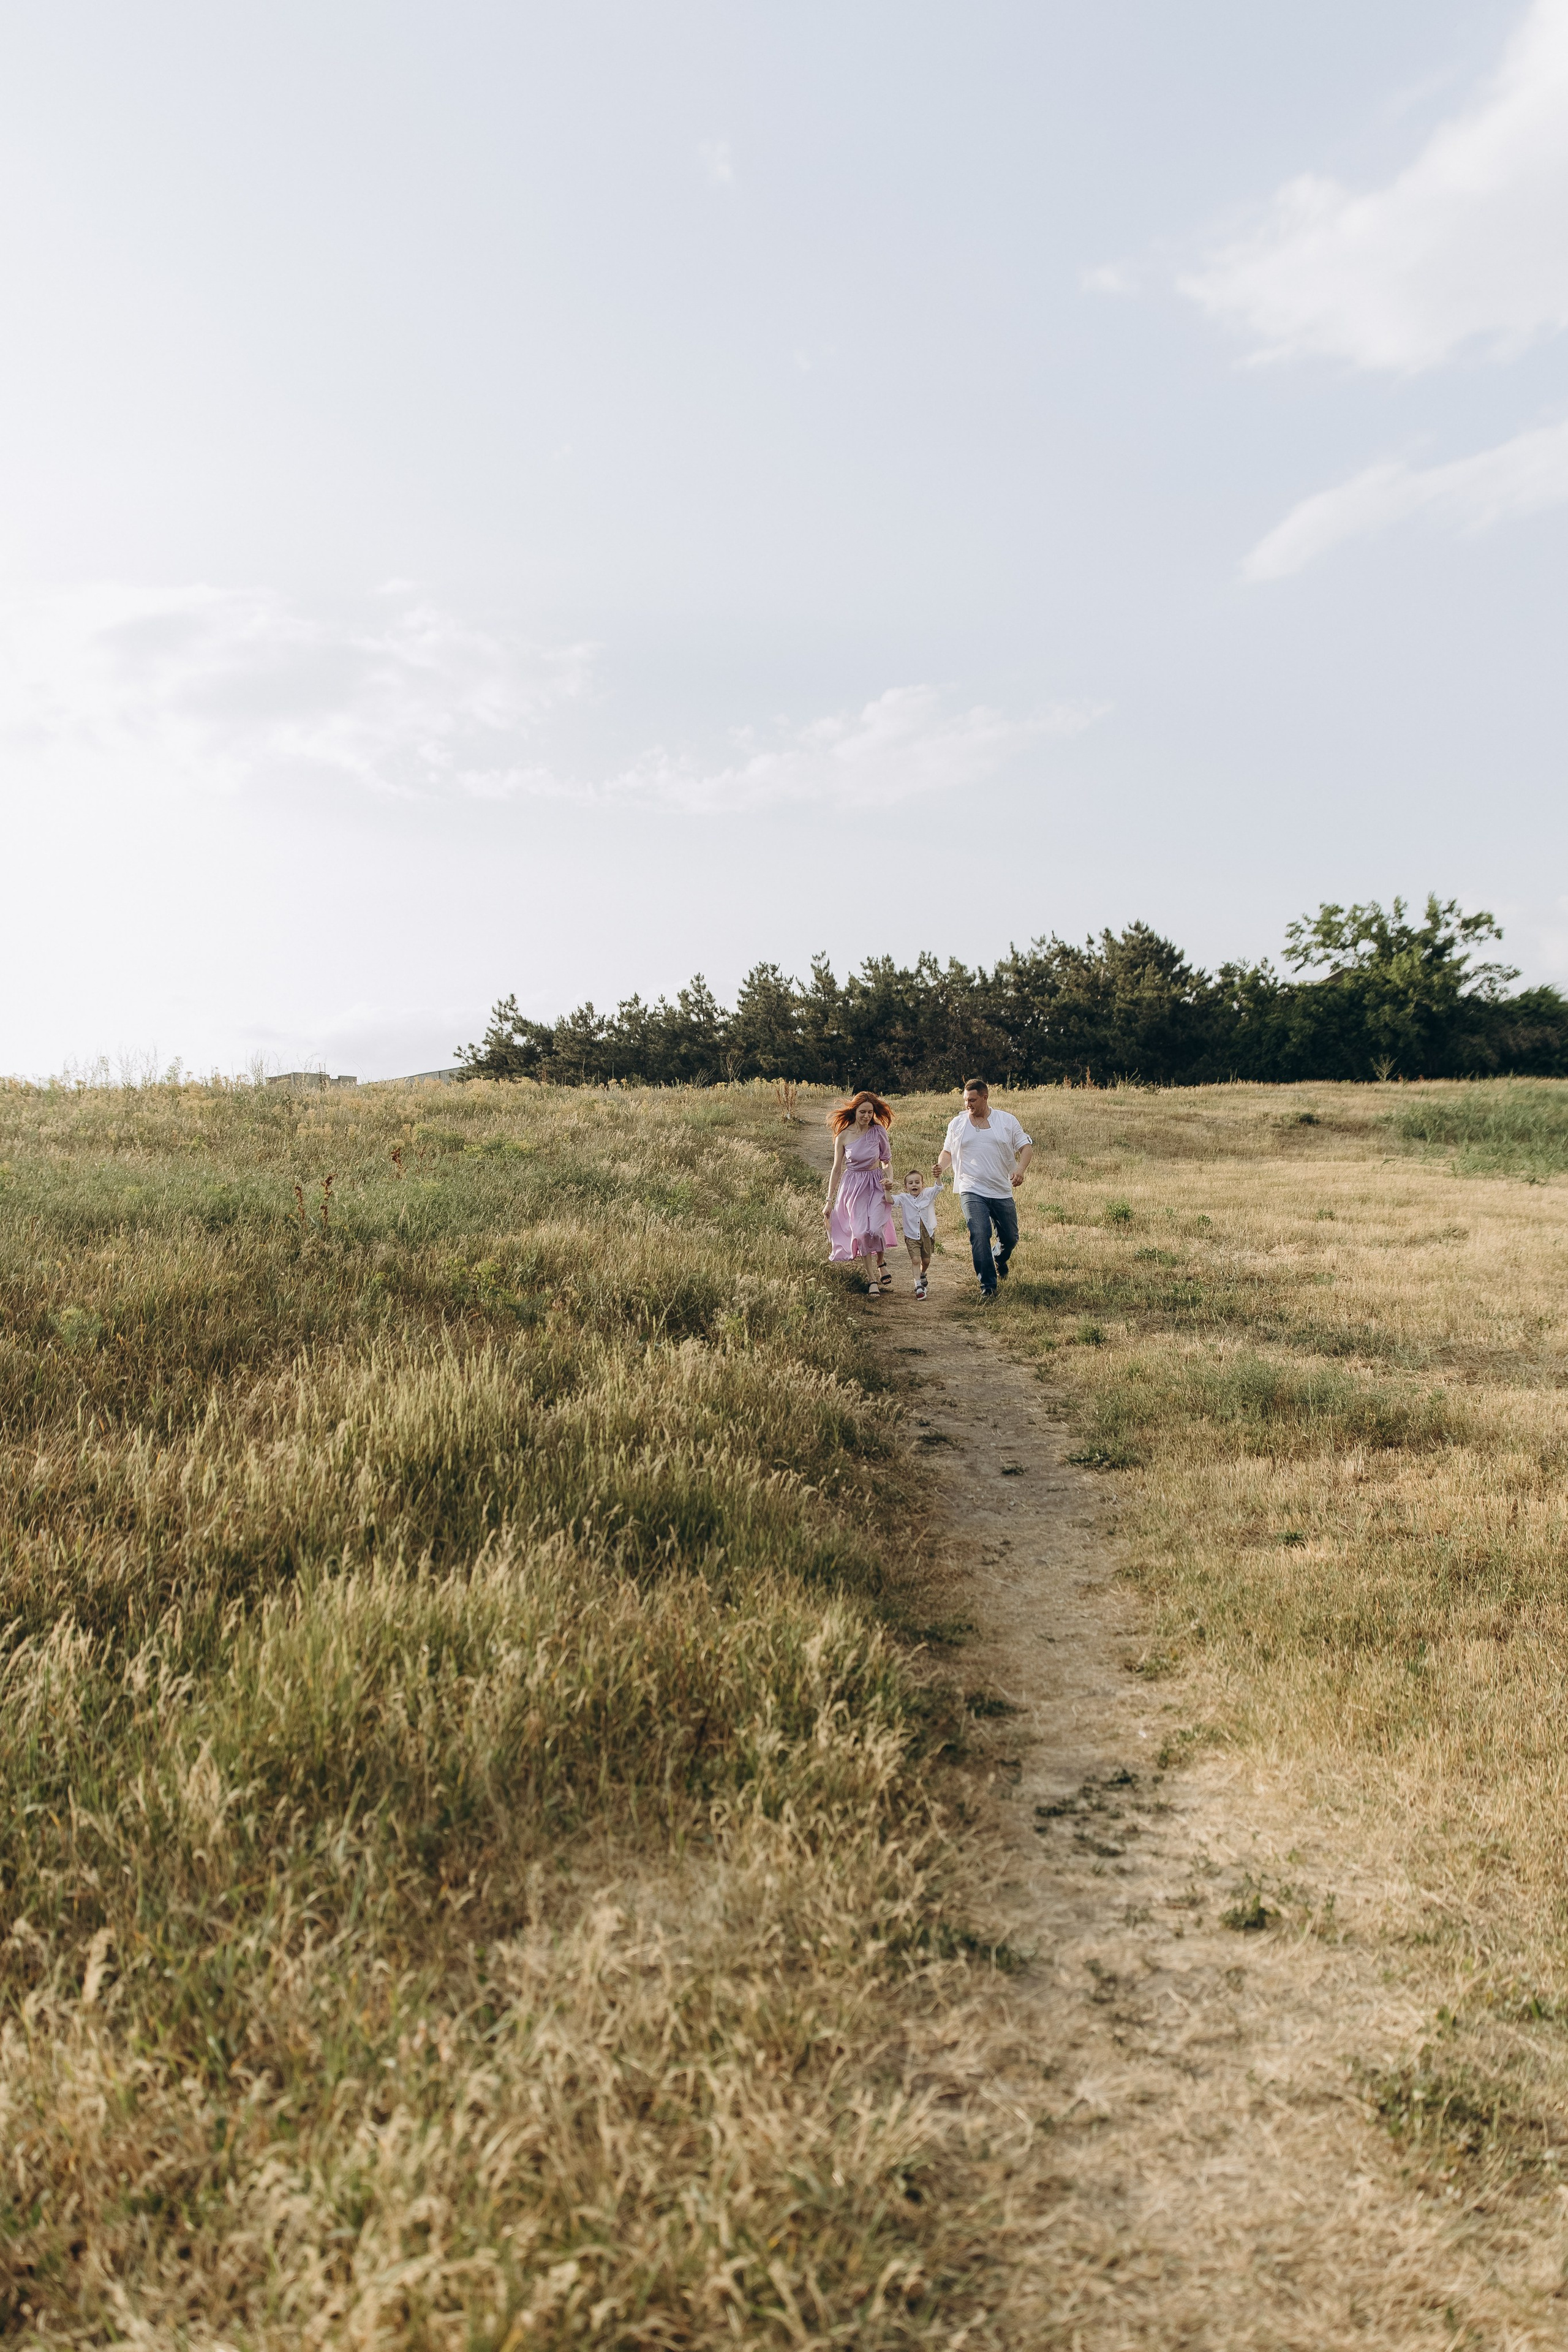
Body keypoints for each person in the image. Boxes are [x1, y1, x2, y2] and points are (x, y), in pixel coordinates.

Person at [935, 1077, 1032, 1300]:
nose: (968, 1105)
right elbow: (947, 1151)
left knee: (1011, 1238)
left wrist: (1020, 1169)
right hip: (971, 1188)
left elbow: (1026, 1147)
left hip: (1001, 1189)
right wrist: (941, 1166)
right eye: (965, 1100)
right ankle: (988, 1286)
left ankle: (999, 1256)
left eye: (972, 1100)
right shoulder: (957, 1124)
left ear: (985, 1097)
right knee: (979, 1232)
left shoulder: (1006, 1121)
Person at [823, 1091, 899, 1293]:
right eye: (862, 1112)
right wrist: (829, 1200)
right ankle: (872, 1278)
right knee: (862, 1232)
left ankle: (881, 1261)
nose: (866, 1117)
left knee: (875, 1228)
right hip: (853, 1187)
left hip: (875, 1184)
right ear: (854, 1111)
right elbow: (837, 1169)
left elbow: (886, 1162)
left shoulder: (878, 1131)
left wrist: (889, 1179)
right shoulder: (843, 1135)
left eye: (870, 1113)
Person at [890, 1166, 943, 1298]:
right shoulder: (904, 1198)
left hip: (927, 1234)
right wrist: (887, 1190)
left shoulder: (927, 1195)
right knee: (916, 1260)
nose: (914, 1185)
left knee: (926, 1261)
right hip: (912, 1235)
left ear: (923, 1185)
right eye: (911, 1183)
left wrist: (937, 1176)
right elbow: (890, 1200)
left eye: (917, 1182)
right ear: (906, 1187)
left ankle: (923, 1274)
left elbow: (938, 1188)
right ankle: (918, 1285)